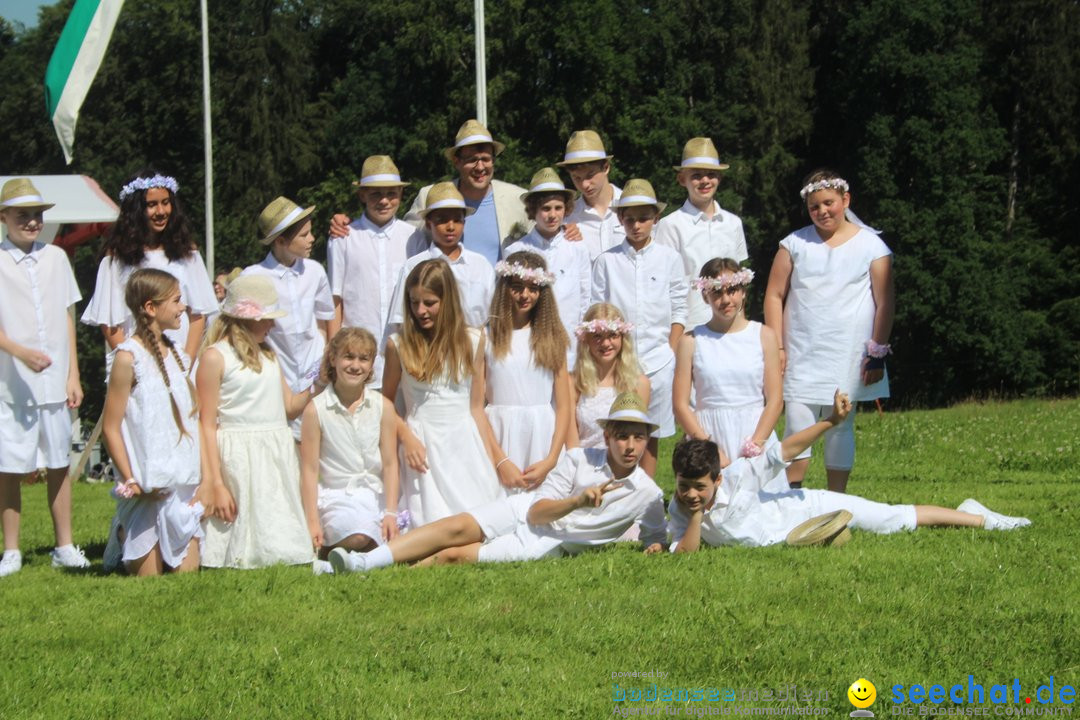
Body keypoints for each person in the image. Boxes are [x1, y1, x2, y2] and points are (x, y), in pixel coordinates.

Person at [327, 391, 667, 572]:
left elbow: (657, 537)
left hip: (547, 545)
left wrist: (656, 546)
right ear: (607, 436)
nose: (630, 446)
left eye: (638, 437)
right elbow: (536, 513)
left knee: (454, 556)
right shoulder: (579, 458)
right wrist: (577, 501)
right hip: (529, 513)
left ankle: (385, 572)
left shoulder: (649, 494)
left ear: (647, 439)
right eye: (622, 436)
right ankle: (363, 563)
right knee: (455, 525)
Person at [668, 391, 1031, 552]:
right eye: (684, 486)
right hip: (799, 536)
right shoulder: (680, 506)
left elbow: (787, 450)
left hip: (809, 509)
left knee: (892, 519)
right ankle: (970, 513)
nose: (691, 494)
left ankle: (983, 520)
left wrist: (830, 421)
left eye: (699, 486)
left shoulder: (739, 476)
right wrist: (697, 514)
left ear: (717, 478)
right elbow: (686, 552)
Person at [764, 169, 894, 492]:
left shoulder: (872, 246)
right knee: (797, 422)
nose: (822, 211)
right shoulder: (794, 244)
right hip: (800, 352)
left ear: (845, 200)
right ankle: (790, 497)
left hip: (848, 354)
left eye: (829, 203)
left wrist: (877, 352)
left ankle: (837, 499)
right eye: (814, 207)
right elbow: (774, 294)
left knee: (841, 426)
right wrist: (776, 346)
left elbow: (885, 301)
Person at [195, 275, 318, 568]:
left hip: (273, 450)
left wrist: (318, 385)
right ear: (246, 320)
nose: (272, 325)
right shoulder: (216, 357)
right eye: (267, 319)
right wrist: (214, 481)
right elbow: (206, 423)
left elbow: (288, 407)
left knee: (273, 516)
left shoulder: (269, 355)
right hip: (239, 454)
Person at [0, 178, 88, 576]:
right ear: (4, 219)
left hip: (54, 381)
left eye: (37, 216)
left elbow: (66, 316)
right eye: (23, 216)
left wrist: (74, 373)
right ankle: (12, 550)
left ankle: (64, 544)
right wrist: (19, 352)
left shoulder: (56, 258)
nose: (32, 223)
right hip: (11, 383)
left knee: (58, 463)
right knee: (10, 467)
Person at [382, 259, 506, 527]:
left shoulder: (473, 340)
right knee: (430, 520)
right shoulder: (399, 345)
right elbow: (385, 403)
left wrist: (491, 460)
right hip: (422, 441)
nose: (420, 311)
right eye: (414, 303)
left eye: (429, 302)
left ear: (446, 300)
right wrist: (406, 435)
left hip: (463, 440)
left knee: (480, 519)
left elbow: (476, 408)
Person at [101, 269, 203, 576]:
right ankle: (123, 533)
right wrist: (132, 480)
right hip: (146, 488)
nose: (182, 307)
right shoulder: (127, 358)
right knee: (150, 576)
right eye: (175, 300)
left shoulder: (178, 356)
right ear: (150, 308)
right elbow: (111, 426)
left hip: (178, 484)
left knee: (186, 573)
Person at [328, 120, 530, 265]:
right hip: (442, 310)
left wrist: (564, 228)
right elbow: (397, 243)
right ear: (456, 161)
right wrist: (351, 225)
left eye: (485, 159)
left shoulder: (518, 199)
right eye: (471, 160)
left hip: (502, 310)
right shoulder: (428, 196)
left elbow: (545, 238)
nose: (480, 167)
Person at [591, 178, 687, 476]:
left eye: (644, 218)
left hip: (659, 359)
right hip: (619, 362)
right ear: (620, 219)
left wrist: (670, 349)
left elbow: (679, 308)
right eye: (629, 219)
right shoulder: (607, 261)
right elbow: (597, 312)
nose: (636, 225)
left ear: (655, 219)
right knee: (620, 429)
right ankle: (616, 492)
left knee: (650, 432)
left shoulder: (670, 258)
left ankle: (646, 497)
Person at [81, 170, 217, 372]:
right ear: (135, 210)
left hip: (182, 364)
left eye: (165, 202)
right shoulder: (117, 260)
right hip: (138, 364)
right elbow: (111, 325)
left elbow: (198, 316)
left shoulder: (187, 254)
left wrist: (184, 363)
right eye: (152, 205)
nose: (161, 211)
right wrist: (137, 366)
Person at [300, 328, 402, 575]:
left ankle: (344, 558)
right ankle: (333, 550)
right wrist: (312, 521)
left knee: (393, 538)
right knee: (358, 535)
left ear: (371, 365)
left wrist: (390, 511)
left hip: (374, 495)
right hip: (338, 496)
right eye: (348, 357)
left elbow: (389, 463)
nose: (355, 365)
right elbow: (310, 470)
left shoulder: (383, 407)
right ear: (333, 359)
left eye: (363, 359)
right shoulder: (317, 410)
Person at [673, 259, 784, 477]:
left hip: (754, 430)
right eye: (717, 292)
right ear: (705, 296)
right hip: (708, 433)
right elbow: (680, 404)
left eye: (732, 290)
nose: (726, 299)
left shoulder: (764, 336)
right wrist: (709, 449)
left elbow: (775, 399)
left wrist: (756, 444)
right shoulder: (691, 341)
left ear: (743, 291)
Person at [475, 251, 571, 492]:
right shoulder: (485, 336)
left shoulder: (552, 336)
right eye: (517, 287)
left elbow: (564, 406)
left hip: (542, 436)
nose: (525, 295)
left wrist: (551, 460)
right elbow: (475, 406)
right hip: (499, 436)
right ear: (504, 287)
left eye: (532, 288)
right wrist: (501, 461)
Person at [241, 196, 334, 439]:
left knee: (319, 433)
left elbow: (324, 318)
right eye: (304, 235)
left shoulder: (314, 271)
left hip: (314, 366)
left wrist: (324, 358)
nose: (312, 239)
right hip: (278, 366)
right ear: (281, 240)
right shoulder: (254, 277)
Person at [326, 155, 414, 388]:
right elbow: (335, 299)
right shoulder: (344, 238)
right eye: (376, 194)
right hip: (358, 359)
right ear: (362, 195)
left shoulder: (413, 237)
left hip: (404, 356)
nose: (384, 201)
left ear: (400, 195)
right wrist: (333, 353)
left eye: (391, 193)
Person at [655, 137, 748, 330]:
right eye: (696, 175)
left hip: (730, 325)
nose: (705, 180)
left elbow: (739, 282)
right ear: (682, 179)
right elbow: (665, 285)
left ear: (719, 178)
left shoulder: (733, 223)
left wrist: (742, 323)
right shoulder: (670, 225)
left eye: (710, 174)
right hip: (691, 326)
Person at [503, 168, 591, 361]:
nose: (552, 215)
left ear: (566, 209)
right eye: (545, 208)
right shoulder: (516, 250)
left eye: (558, 208)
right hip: (530, 343)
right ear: (533, 210)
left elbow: (586, 296)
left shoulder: (577, 248)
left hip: (570, 343)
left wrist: (583, 336)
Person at [386, 182, 495, 330]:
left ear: (464, 223)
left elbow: (493, 316)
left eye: (457, 220)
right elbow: (400, 321)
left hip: (472, 347)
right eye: (442, 220)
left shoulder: (480, 265)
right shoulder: (413, 266)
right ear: (428, 224)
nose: (450, 227)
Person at [568, 303, 649, 451]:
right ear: (586, 339)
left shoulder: (638, 383)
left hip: (623, 466)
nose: (606, 343)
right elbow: (571, 443)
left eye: (612, 335)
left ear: (622, 338)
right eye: (597, 336)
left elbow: (638, 439)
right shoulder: (573, 383)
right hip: (583, 466)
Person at [558, 130, 625, 261]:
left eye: (590, 175)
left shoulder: (634, 207)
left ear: (606, 167)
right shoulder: (568, 219)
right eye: (577, 178)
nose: (584, 185)